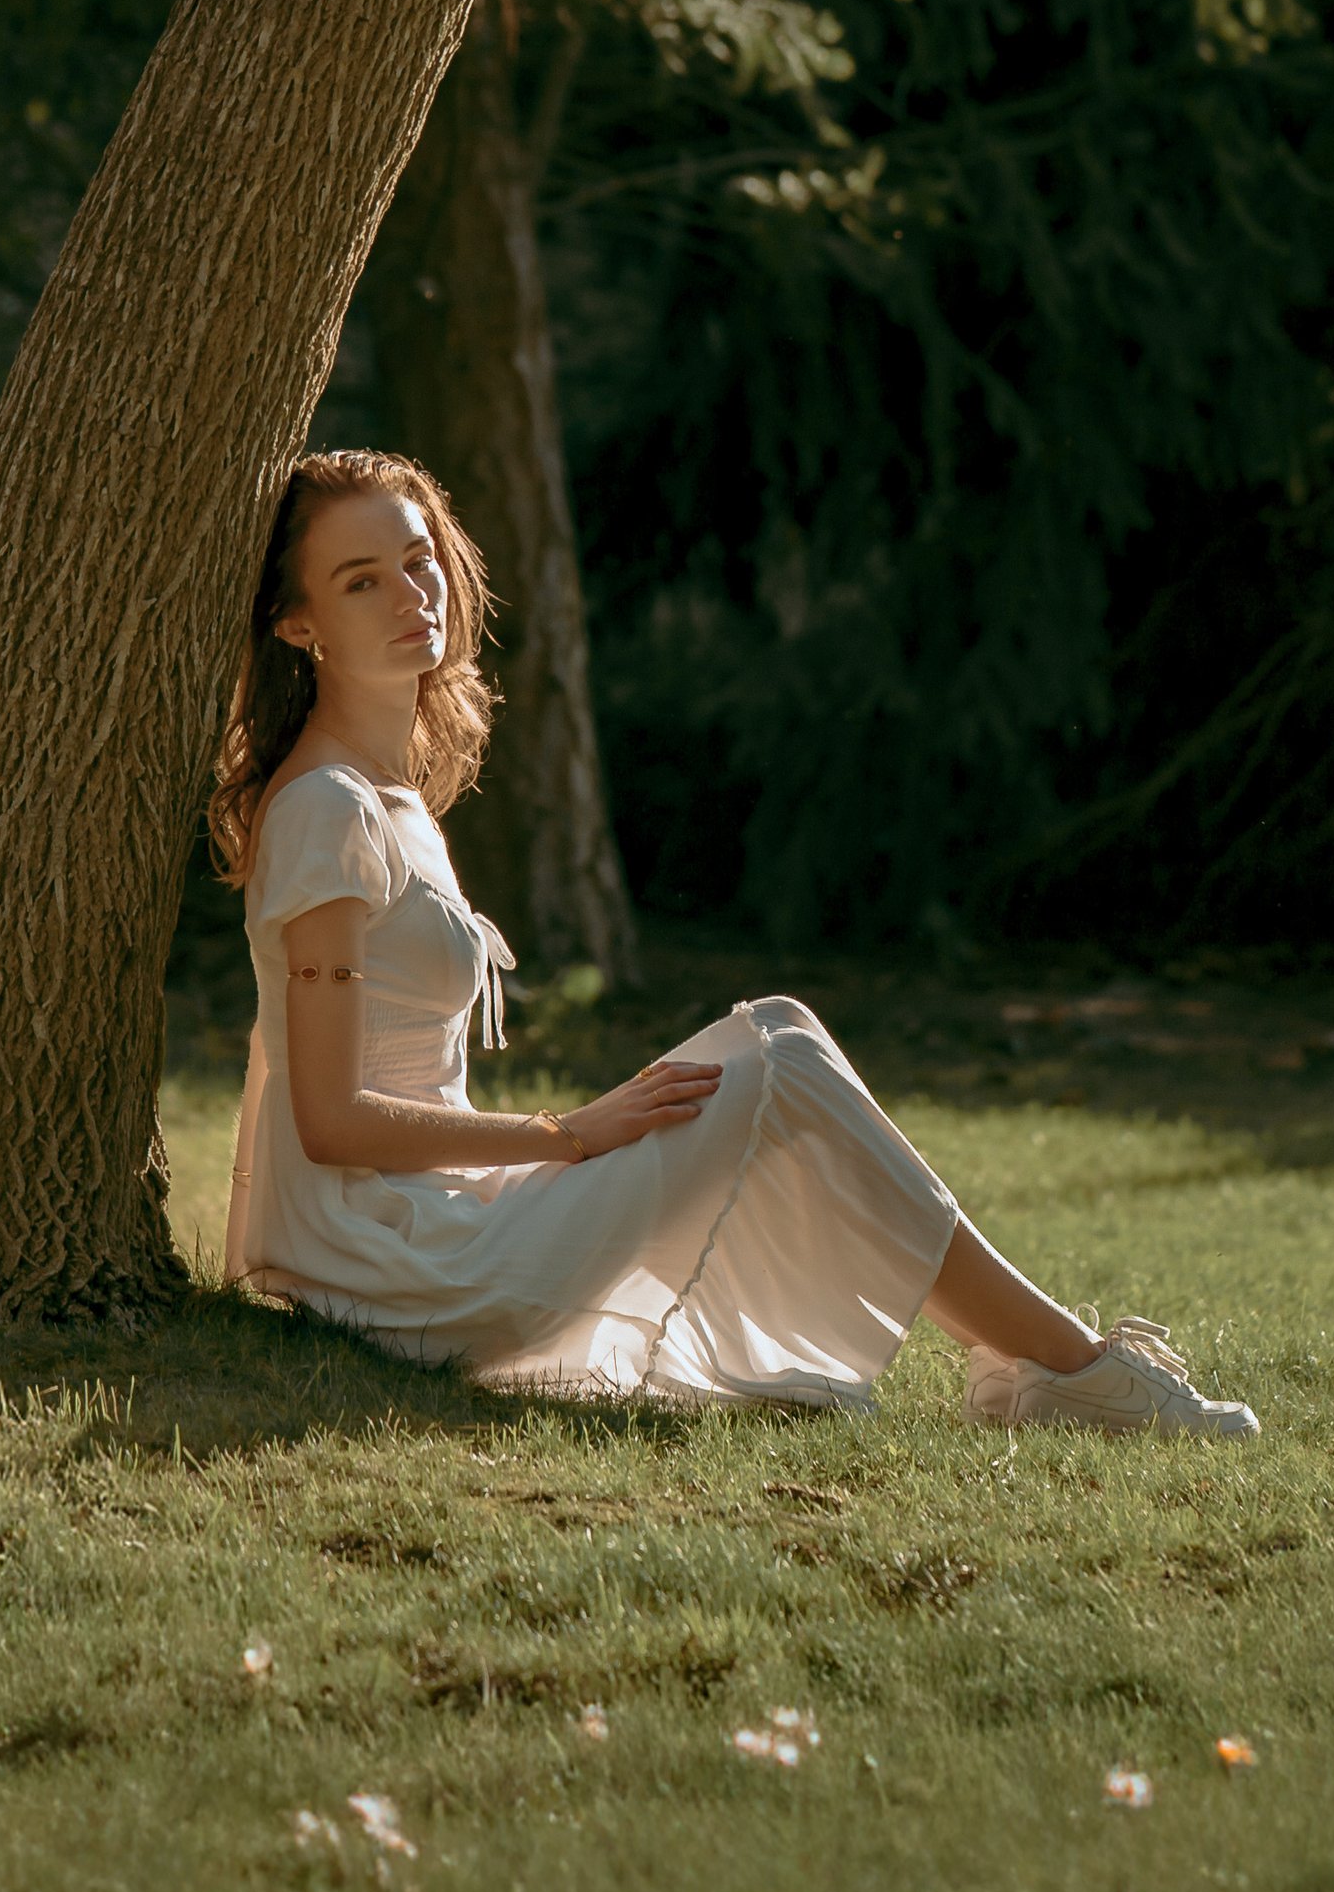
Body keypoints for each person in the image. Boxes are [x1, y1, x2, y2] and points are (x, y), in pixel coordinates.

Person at [215, 448, 1258, 1436]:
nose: (411, 594)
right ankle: (1071, 1368)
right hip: (394, 1266)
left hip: (437, 1223)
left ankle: (1037, 1363)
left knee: (779, 1035)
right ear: (300, 623)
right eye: (362, 581)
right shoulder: (326, 808)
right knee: (780, 1062)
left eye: (418, 559)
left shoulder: (386, 794)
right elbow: (331, 1120)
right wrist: (568, 1133)